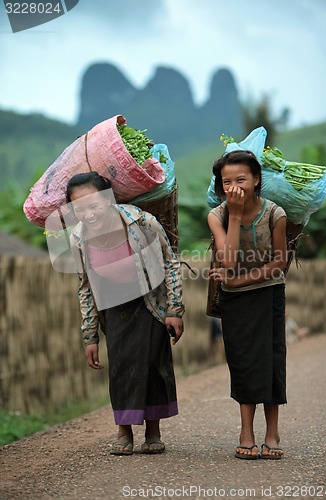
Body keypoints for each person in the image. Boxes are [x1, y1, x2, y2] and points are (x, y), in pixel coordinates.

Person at [66, 171, 184, 455]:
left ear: (108, 198)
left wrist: (175, 309)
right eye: (79, 208)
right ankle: (124, 431)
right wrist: (89, 336)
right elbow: (85, 287)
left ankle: (153, 432)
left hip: (150, 300)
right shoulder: (78, 239)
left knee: (154, 363)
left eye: (94, 204)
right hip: (114, 304)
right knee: (120, 367)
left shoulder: (140, 221)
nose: (88, 213)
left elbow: (169, 263)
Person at [208, 150, 287, 460]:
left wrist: (240, 281)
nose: (233, 187)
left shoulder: (275, 214)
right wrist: (236, 214)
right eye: (226, 182)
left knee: (270, 359)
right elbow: (227, 260)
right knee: (243, 361)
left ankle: (272, 432)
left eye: (241, 179)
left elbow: (279, 262)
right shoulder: (218, 215)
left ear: (256, 180)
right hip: (235, 302)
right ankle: (246, 432)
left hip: (268, 293)